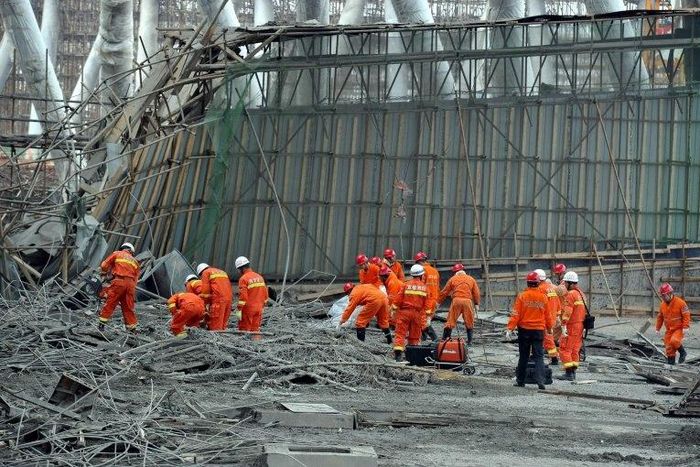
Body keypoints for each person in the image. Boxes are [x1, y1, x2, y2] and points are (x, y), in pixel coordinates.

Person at [506, 271, 552, 390]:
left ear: (528, 283)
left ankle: (520, 381)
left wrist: (509, 329)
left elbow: (516, 314)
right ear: (538, 283)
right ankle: (541, 381)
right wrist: (550, 328)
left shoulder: (522, 296)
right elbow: (548, 316)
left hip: (524, 330)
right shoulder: (543, 297)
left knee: (524, 356)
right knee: (539, 356)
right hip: (538, 331)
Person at [391, 264, 435, 362]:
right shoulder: (425, 288)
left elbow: (398, 298)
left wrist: (393, 309)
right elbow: (428, 305)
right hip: (417, 315)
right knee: (415, 336)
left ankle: (398, 357)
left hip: (404, 313)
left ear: (412, 275)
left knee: (400, 334)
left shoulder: (405, 285)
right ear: (421, 275)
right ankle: (412, 357)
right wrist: (428, 318)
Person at [98, 242, 140, 332]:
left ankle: (101, 325)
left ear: (123, 248)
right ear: (130, 251)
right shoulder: (135, 261)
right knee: (128, 306)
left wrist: (104, 272)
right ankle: (132, 329)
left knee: (111, 302)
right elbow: (136, 278)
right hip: (131, 285)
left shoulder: (117, 253)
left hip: (119, 282)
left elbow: (104, 265)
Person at [437, 263, 480, 344]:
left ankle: (445, 339)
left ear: (455, 272)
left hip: (456, 301)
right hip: (467, 301)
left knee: (451, 320)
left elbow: (444, 291)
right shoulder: (471, 279)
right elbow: (476, 292)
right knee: (469, 321)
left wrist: (438, 302)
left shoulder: (453, 279)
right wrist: (477, 303)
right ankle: (470, 341)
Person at [558, 271, 586, 380]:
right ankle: (573, 372)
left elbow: (568, 311)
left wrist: (563, 324)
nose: (564, 285)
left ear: (570, 283)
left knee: (565, 349)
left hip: (572, 325)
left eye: (565, 283)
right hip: (580, 325)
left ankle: (568, 373)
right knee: (574, 349)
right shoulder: (581, 294)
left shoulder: (571, 294)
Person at [656, 283, 691, 365]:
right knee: (668, 347)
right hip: (669, 330)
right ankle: (671, 365)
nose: (663, 297)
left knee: (674, 341)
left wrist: (686, 327)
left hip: (679, 328)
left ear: (670, 293)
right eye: (662, 296)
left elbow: (686, 315)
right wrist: (657, 328)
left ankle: (683, 353)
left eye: (664, 295)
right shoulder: (662, 305)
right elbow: (660, 317)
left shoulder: (680, 303)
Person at [534, 268, 562, 365]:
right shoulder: (552, 288)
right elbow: (558, 304)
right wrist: (557, 316)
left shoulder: (540, 289)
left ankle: (554, 358)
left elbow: (538, 305)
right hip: (552, 317)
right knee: (544, 338)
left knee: (547, 339)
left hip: (544, 318)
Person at [235, 256, 269, 333]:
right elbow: (265, 294)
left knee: (244, 330)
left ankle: (245, 345)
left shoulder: (243, 278)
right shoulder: (259, 277)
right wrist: (263, 304)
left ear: (242, 268)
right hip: (259, 308)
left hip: (248, 309)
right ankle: (255, 344)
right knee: (255, 330)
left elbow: (243, 297)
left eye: (238, 269)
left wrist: (239, 309)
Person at [197, 262, 233, 331]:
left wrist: (203, 305)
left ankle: (216, 341)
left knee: (216, 326)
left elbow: (205, 294)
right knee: (223, 325)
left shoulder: (206, 273)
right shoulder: (222, 272)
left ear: (201, 272)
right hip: (228, 300)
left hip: (218, 301)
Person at [414, 251, 439, 342]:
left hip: (426, 299)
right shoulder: (435, 271)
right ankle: (423, 337)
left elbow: (421, 285)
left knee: (423, 320)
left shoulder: (422, 271)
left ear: (419, 261)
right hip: (434, 299)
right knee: (425, 319)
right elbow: (437, 286)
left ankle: (434, 338)